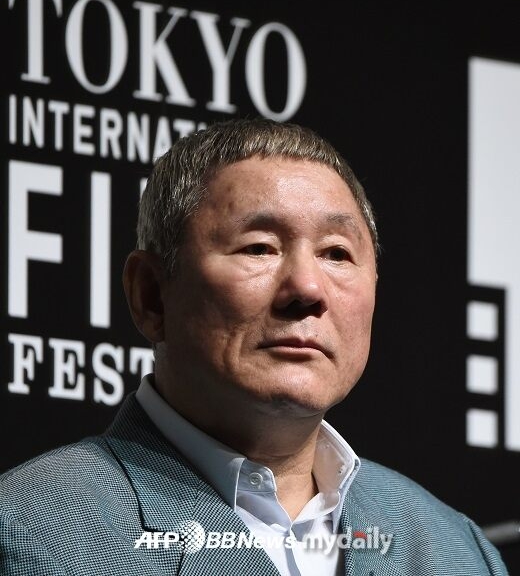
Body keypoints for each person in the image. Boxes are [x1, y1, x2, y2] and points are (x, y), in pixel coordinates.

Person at [0, 119, 508, 575]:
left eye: (336, 253)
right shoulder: (34, 533)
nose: (307, 288)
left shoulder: (456, 551)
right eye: (259, 247)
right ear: (151, 295)